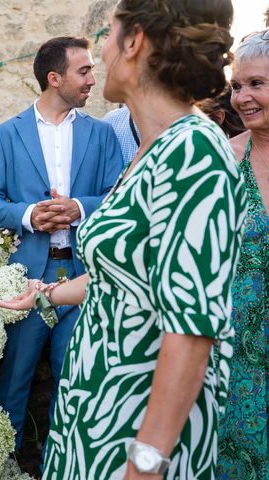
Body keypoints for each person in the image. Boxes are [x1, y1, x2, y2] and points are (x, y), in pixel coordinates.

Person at [0, 0, 246, 478]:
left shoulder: (194, 150)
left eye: (108, 37)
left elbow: (192, 328)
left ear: (135, 42)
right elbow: (125, 278)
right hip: (95, 416)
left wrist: (147, 461)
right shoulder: (148, 153)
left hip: (134, 429)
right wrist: (45, 293)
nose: (104, 52)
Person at [0, 36, 123, 452]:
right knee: (15, 376)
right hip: (29, 277)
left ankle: (66, 464)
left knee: (74, 376)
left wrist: (79, 207)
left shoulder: (102, 134)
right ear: (54, 78)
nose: (93, 79)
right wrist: (28, 215)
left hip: (82, 276)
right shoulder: (7, 134)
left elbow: (118, 195)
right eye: (84, 71)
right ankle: (2, 464)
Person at [217, 30, 269, 480]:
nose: (243, 97)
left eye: (256, 83)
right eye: (237, 86)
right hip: (240, 363)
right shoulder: (225, 163)